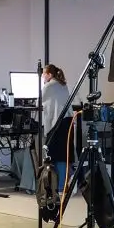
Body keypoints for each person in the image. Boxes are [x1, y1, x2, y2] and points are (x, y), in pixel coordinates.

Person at [41, 63, 73, 192]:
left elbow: (39, 101)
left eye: (43, 74)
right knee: (64, 154)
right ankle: (64, 185)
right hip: (67, 121)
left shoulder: (49, 86)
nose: (42, 76)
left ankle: (57, 186)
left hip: (57, 123)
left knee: (55, 154)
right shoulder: (62, 84)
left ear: (49, 74)